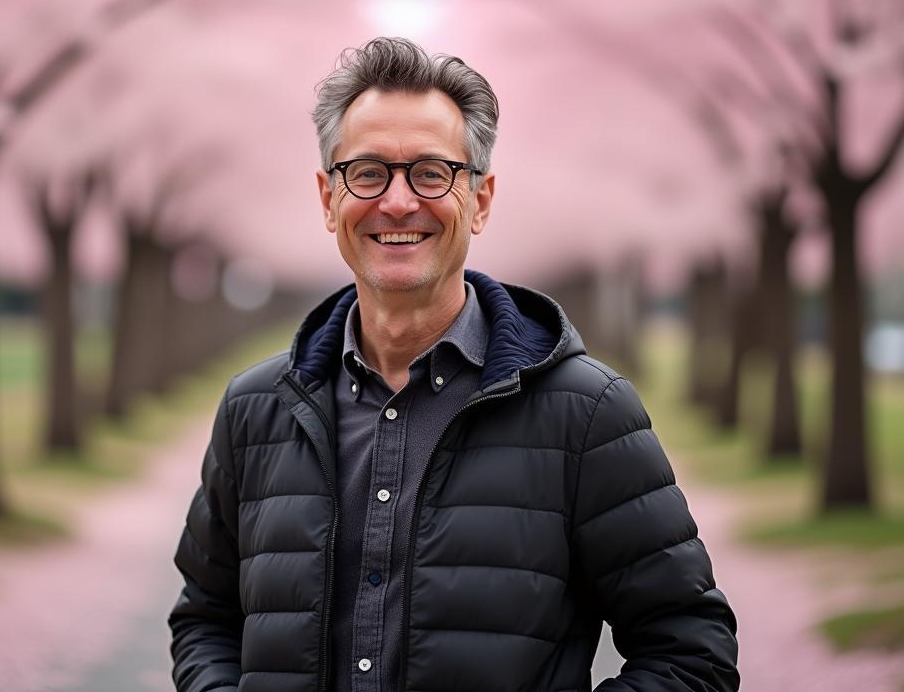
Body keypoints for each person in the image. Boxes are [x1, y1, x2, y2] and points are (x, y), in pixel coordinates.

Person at [168, 36, 739, 692]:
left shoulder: (586, 414)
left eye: (432, 173)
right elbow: (206, 617)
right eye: (368, 172)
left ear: (481, 199)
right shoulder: (255, 409)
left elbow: (691, 653)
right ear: (329, 199)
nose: (399, 202)